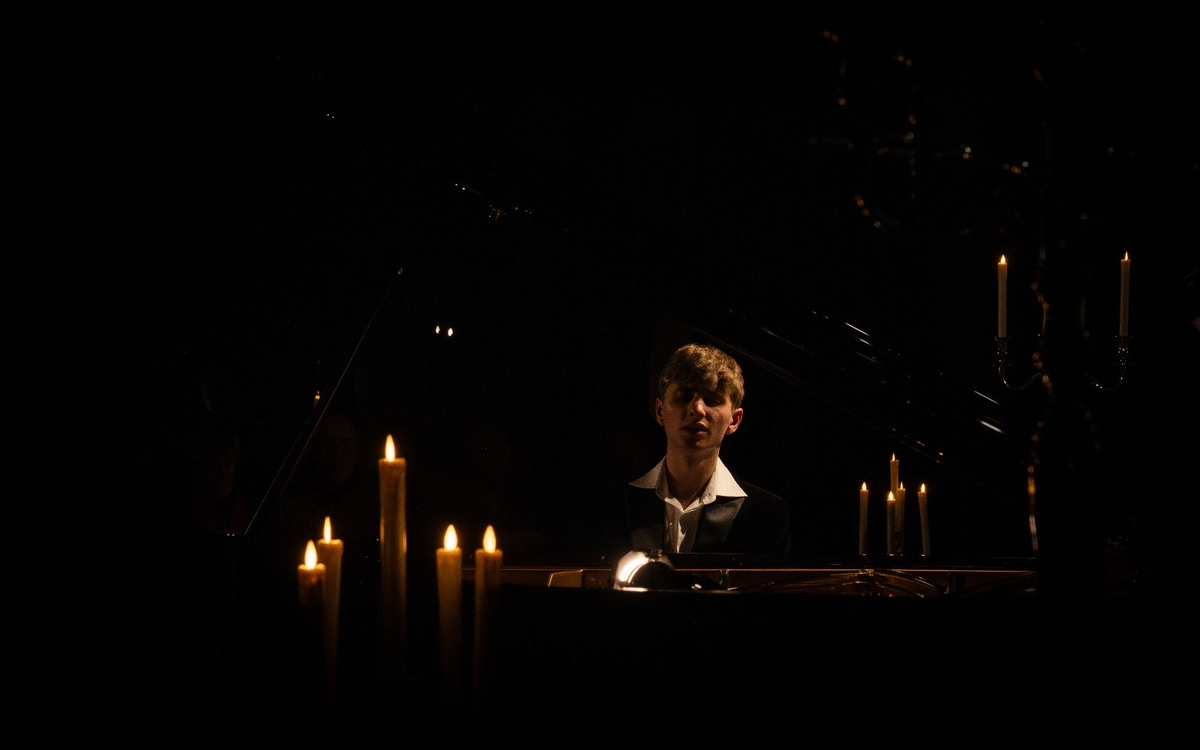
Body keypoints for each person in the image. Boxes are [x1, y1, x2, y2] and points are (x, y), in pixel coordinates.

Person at [589, 343, 791, 562]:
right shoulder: (611, 505)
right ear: (660, 411)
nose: (697, 409)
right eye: (684, 397)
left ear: (734, 420)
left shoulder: (766, 514)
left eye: (712, 400)